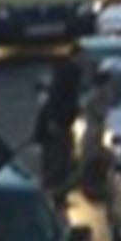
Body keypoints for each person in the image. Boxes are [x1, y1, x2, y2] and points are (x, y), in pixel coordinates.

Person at [34, 60, 82, 200]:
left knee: (60, 162)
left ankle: (55, 191)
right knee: (58, 162)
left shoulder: (64, 84)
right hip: (57, 130)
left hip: (58, 128)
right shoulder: (66, 82)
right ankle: (53, 192)